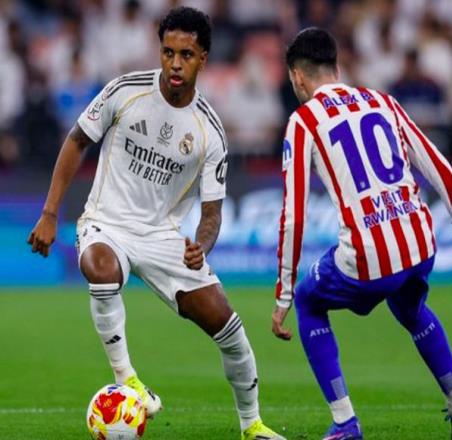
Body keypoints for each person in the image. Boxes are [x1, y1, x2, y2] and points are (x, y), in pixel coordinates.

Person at [28, 7, 285, 440]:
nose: (175, 64)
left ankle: (252, 424)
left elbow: (212, 213)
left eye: (186, 55)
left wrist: (201, 246)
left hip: (163, 237)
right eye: (168, 53)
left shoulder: (209, 131)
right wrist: (50, 213)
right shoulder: (124, 91)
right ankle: (128, 380)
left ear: (203, 58)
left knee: (229, 329)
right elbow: (75, 142)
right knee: (101, 269)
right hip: (106, 222)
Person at [272, 28, 452, 440]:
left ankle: (344, 421)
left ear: (297, 77)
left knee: (308, 300)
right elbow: (441, 170)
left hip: (369, 258)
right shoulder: (382, 101)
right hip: (420, 244)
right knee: (410, 308)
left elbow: (294, 216)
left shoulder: (303, 121)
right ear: (336, 68)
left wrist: (282, 293)